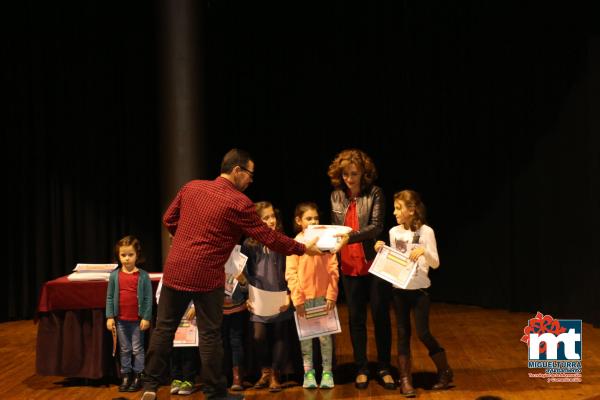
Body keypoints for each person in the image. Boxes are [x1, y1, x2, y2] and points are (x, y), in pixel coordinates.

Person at [140, 148, 321, 400]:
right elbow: (268, 237)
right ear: (236, 170)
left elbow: (168, 218)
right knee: (210, 335)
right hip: (207, 275)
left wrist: (186, 236)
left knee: (163, 330)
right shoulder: (239, 203)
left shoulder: (191, 187)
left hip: (177, 268)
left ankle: (149, 386)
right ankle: (216, 394)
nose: (250, 180)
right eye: (249, 174)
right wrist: (302, 248)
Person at [374, 190, 453, 397]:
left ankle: (444, 371)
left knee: (423, 332)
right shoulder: (394, 232)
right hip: (400, 290)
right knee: (402, 334)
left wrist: (424, 252)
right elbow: (395, 261)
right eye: (395, 207)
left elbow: (435, 263)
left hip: (419, 291)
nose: (394, 212)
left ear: (412, 210)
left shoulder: (426, 232)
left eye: (399, 208)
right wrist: (382, 251)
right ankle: (406, 380)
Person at [327, 148, 395, 390]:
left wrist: (349, 237)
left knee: (380, 317)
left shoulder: (375, 193)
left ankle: (384, 366)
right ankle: (362, 367)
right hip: (349, 264)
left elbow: (376, 227)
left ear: (363, 173)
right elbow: (335, 229)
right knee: (356, 318)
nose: (349, 178)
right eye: (345, 174)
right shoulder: (336, 196)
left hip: (373, 263)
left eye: (354, 173)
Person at [286, 202, 339, 389]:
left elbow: (334, 269)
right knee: (306, 338)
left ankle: (327, 372)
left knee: (325, 337)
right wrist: (298, 299)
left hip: (324, 298)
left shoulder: (327, 241)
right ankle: (308, 372)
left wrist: (331, 295)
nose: (314, 221)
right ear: (299, 221)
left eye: (316, 218)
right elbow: (291, 273)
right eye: (309, 218)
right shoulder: (295, 244)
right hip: (304, 299)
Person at [242, 202, 294, 393]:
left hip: (280, 292)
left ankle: (275, 374)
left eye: (272, 216)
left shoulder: (282, 240)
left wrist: (289, 294)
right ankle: (264, 370)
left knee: (280, 334)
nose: (271, 220)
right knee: (258, 336)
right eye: (266, 217)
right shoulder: (249, 244)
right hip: (258, 296)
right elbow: (244, 272)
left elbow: (290, 268)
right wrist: (246, 295)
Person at [106, 235, 153, 393]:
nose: (126, 259)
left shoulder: (143, 276)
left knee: (137, 349)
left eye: (130, 255)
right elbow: (110, 297)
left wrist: (146, 317)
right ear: (118, 256)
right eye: (123, 255)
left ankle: (138, 375)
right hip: (120, 320)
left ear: (137, 255)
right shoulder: (114, 275)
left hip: (136, 321)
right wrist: (110, 316)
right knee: (124, 349)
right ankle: (125, 375)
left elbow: (148, 299)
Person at [155, 277, 200, 396]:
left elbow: (201, 293)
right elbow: (160, 295)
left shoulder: (194, 273)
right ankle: (176, 379)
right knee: (174, 350)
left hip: (189, 319)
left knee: (188, 351)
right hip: (173, 317)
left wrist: (195, 307)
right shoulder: (167, 274)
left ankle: (189, 380)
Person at [221, 270, 248, 392]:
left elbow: (248, 288)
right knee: (221, 344)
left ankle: (237, 377)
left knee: (236, 342)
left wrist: (242, 281)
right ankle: (223, 377)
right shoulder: (214, 257)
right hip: (218, 309)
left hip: (237, 308)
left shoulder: (240, 260)